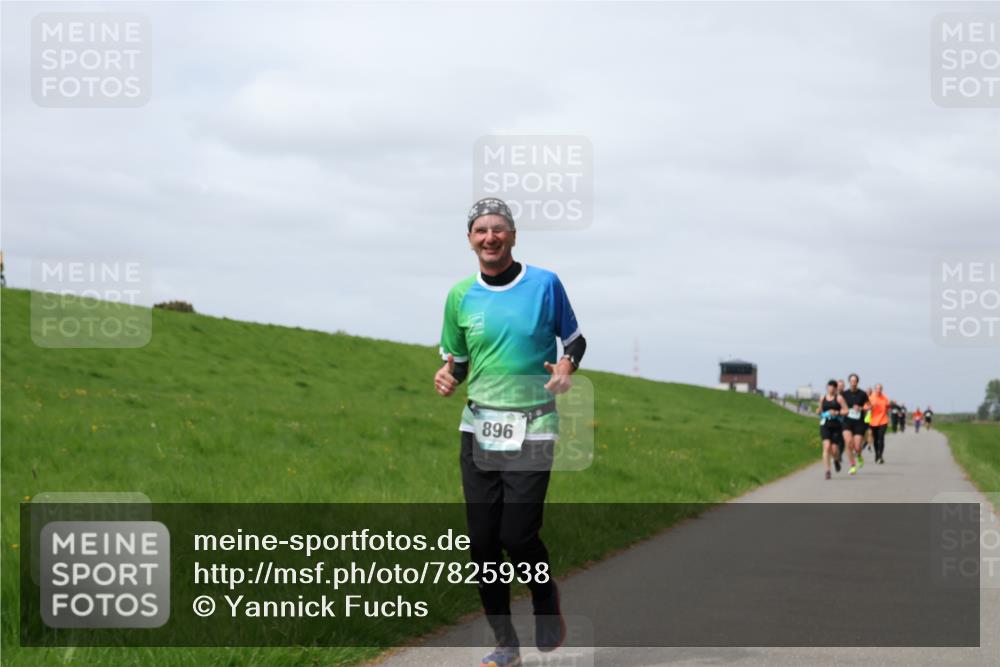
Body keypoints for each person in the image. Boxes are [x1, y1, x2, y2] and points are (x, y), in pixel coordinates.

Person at [435, 197, 584, 667]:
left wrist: (565, 366)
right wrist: (447, 376)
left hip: (534, 426)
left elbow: (575, 340)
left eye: (499, 229)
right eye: (481, 230)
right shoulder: (460, 296)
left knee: (518, 536)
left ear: (514, 236)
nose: (490, 237)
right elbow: (458, 360)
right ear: (470, 240)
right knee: (482, 544)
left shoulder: (544, 283)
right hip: (478, 429)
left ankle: (544, 598)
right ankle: (505, 643)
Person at [817, 380, 848, 480]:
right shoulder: (823, 398)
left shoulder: (839, 398)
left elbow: (846, 411)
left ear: (836, 388)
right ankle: (827, 471)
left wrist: (837, 412)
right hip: (825, 424)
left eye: (833, 387)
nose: (831, 388)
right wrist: (818, 411)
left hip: (836, 425)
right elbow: (820, 409)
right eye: (830, 386)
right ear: (827, 387)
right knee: (826, 447)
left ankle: (836, 460)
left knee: (834, 450)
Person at [841, 373, 869, 474]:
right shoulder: (844, 394)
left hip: (859, 422)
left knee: (857, 447)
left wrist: (861, 408)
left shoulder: (862, 394)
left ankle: (859, 456)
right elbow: (840, 406)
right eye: (851, 381)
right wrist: (845, 410)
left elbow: (869, 406)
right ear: (849, 382)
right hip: (847, 421)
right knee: (848, 443)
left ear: (857, 382)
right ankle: (853, 465)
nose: (853, 383)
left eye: (855, 381)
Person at [868, 384, 891, 464]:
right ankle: (876, 455)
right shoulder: (871, 398)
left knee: (881, 438)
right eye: (877, 388)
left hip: (883, 421)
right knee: (875, 440)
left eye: (880, 388)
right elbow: (865, 407)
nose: (879, 390)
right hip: (873, 421)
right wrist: (869, 407)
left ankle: (880, 455)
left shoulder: (885, 398)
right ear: (875, 389)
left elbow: (888, 407)